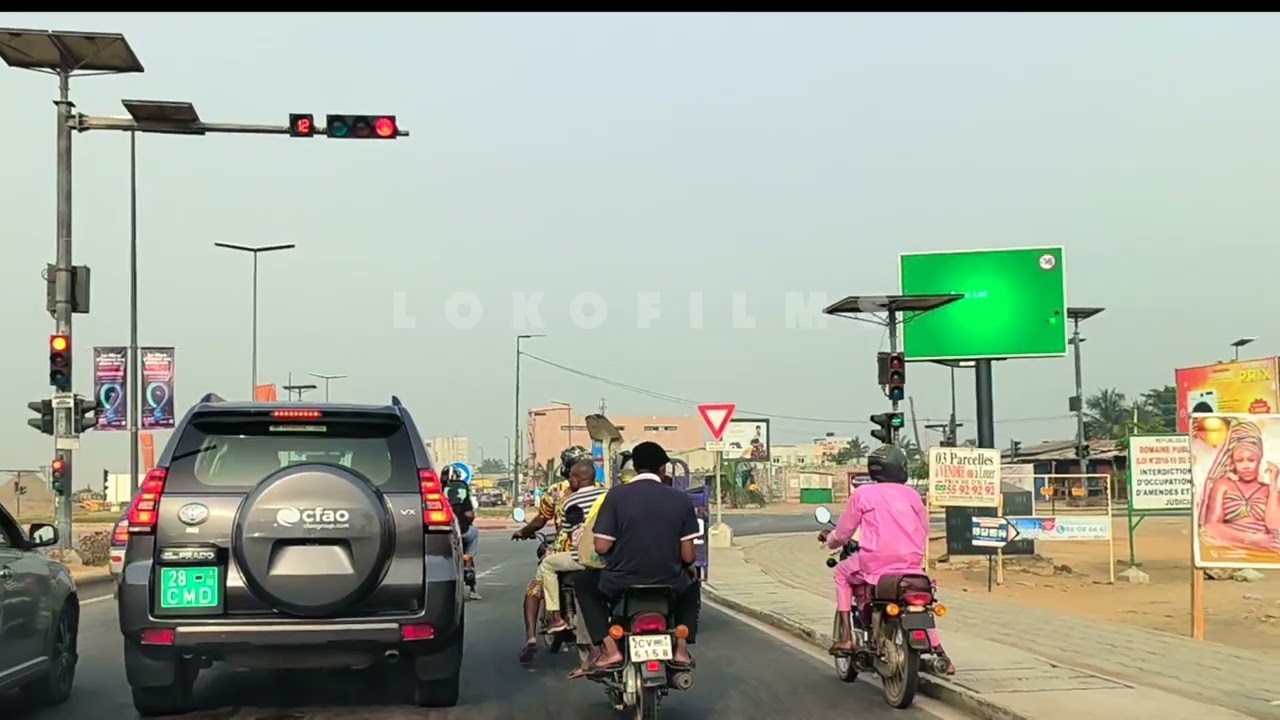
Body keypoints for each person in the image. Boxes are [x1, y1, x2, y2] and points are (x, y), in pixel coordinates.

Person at [572, 441, 701, 675]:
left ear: (635, 467)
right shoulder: (680, 500)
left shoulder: (617, 496)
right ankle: (681, 649)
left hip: (621, 582)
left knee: (582, 583)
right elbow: (688, 555)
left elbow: (601, 547)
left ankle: (610, 649)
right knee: (693, 584)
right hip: (669, 581)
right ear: (662, 469)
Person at [819, 445, 927, 655]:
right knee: (919, 595)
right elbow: (923, 528)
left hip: (875, 563)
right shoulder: (912, 495)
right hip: (911, 563)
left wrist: (830, 541)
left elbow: (842, 534)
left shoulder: (863, 494)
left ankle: (846, 638)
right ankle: (940, 651)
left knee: (841, 574)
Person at [512, 445, 592, 662]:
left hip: (563, 551)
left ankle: (533, 635)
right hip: (595, 552)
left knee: (533, 588)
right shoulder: (602, 489)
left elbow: (540, 519)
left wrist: (523, 531)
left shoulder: (556, 491)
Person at [1200, 421, 1280, 550]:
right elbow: (1211, 526)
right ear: (1233, 463)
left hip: (1265, 550)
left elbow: (1274, 526)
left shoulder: (1268, 490)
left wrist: (1274, 485)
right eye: (1239, 460)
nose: (1246, 466)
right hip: (1231, 548)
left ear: (1259, 461)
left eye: (1251, 460)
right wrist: (1250, 539)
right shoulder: (1223, 485)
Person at [442, 466, 482, 601]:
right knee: (474, 534)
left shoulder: (438, 492)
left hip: (445, 532)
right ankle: (469, 566)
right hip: (464, 530)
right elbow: (470, 514)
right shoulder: (462, 492)